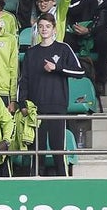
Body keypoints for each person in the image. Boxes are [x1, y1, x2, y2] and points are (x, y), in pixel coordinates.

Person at [19, 12, 86, 176]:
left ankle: (63, 181)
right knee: (37, 151)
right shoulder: (31, 53)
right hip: (36, 109)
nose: (44, 29)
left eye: (47, 26)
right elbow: (24, 80)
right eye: (41, 26)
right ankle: (34, 182)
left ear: (54, 29)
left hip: (57, 107)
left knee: (58, 149)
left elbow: (81, 71)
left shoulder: (63, 49)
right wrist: (22, 104)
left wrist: (58, 68)